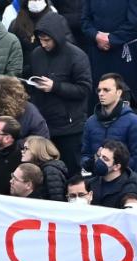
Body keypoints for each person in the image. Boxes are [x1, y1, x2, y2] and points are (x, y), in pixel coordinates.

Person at [24, 12, 91, 174]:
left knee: (70, 172)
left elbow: (85, 89)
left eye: (47, 40)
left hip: (69, 128)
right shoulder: (37, 55)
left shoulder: (77, 56)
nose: (44, 44)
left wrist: (55, 87)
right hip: (43, 126)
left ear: (57, 37)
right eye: (41, 40)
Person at [89, 139, 137, 208]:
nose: (99, 160)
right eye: (100, 156)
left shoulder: (129, 190)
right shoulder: (93, 182)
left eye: (105, 159)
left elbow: (132, 205)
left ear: (116, 166)